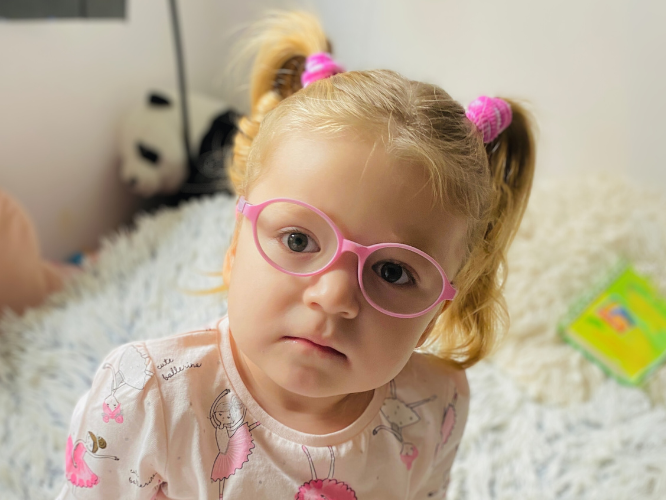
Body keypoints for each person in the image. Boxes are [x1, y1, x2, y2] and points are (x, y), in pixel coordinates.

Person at [56, 10, 535, 499]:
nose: (334, 296)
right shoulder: (145, 399)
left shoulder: (434, 405)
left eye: (393, 271)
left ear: (434, 316)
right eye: (298, 240)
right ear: (235, 247)